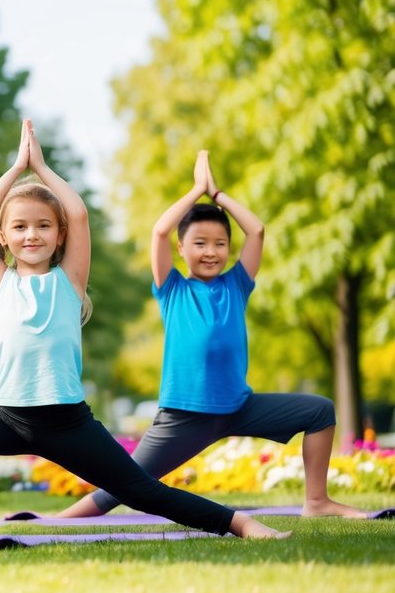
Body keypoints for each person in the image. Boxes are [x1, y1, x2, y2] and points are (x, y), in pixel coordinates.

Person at [0, 121, 291, 543]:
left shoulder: (70, 281)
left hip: (68, 422)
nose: (32, 234)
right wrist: (16, 168)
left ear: (60, 234)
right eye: (20, 227)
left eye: (44, 225)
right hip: (8, 418)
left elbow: (79, 213)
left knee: (142, 492)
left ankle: (240, 523)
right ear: (3, 238)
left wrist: (42, 169)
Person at [56, 151, 364, 520]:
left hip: (238, 407)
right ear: (182, 249)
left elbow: (257, 230)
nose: (211, 252)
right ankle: (54, 521)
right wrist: (196, 191)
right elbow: (160, 231)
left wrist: (217, 196)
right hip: (185, 416)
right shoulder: (172, 289)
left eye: (220, 244)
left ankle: (317, 502)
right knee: (124, 483)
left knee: (319, 411)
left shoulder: (237, 284)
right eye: (200, 243)